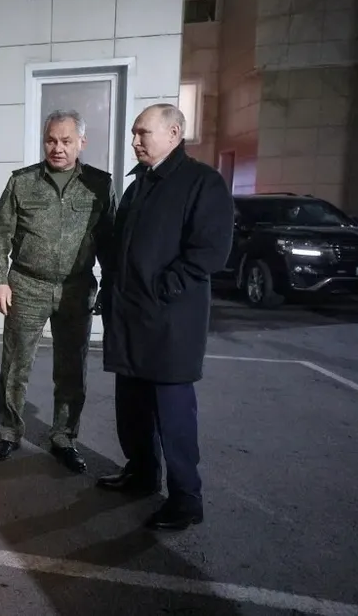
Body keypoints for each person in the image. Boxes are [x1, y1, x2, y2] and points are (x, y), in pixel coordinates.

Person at [96, 103, 234, 531]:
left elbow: (210, 251)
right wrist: (111, 290)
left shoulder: (202, 183)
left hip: (171, 322)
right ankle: (141, 473)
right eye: (135, 133)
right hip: (131, 318)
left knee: (173, 415)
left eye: (144, 133)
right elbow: (123, 247)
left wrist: (163, 289)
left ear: (174, 134)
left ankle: (186, 499)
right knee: (132, 407)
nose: (136, 141)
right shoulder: (139, 186)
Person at [0, 109, 117, 472]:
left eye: (66, 141)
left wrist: (110, 284)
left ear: (81, 143)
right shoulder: (22, 182)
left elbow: (109, 241)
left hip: (76, 289)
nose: (57, 148)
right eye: (51, 140)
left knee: (72, 368)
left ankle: (64, 437)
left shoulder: (99, 185)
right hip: (26, 285)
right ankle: (9, 432)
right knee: (15, 365)